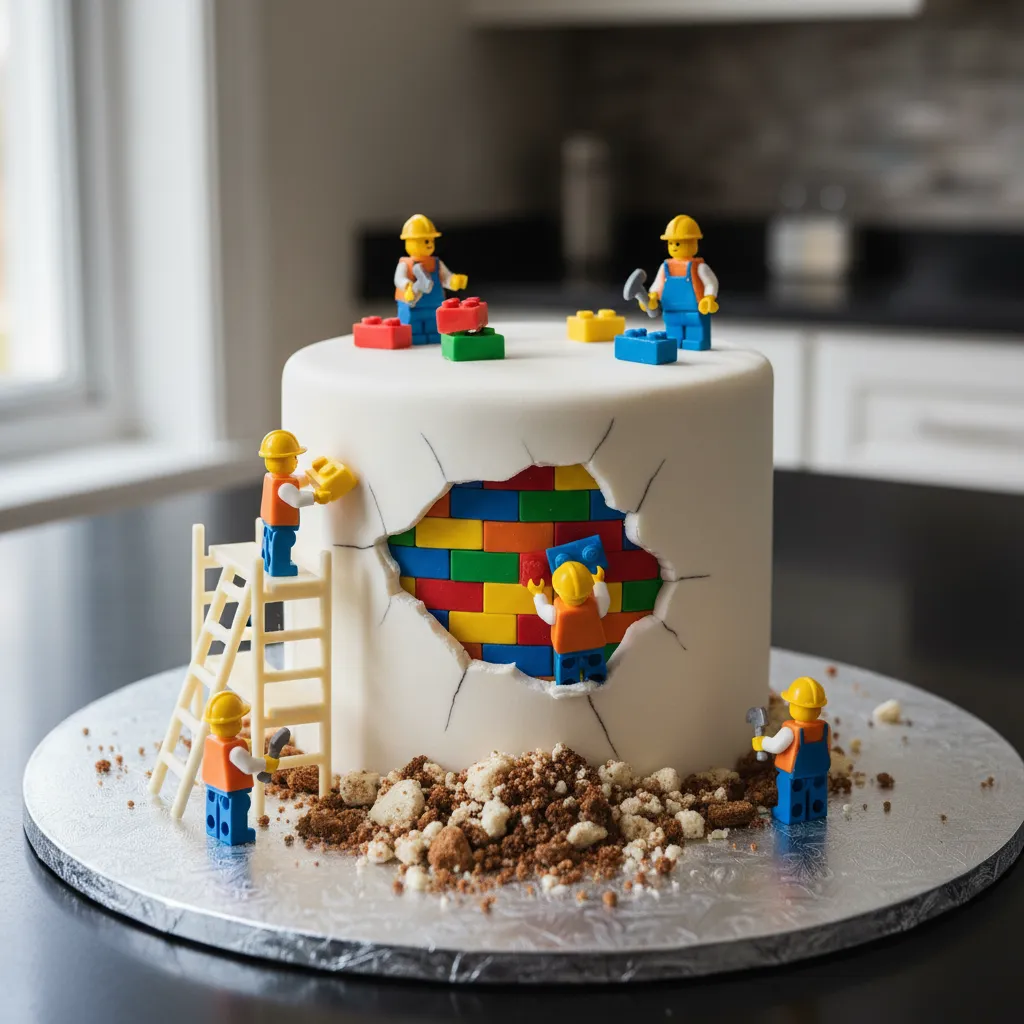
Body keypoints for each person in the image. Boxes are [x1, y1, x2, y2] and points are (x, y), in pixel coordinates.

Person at [201, 691, 281, 845]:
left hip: (213, 785)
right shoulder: (235, 750)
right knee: (237, 810)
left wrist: (245, 745)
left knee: (216, 808)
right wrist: (267, 763)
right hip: (233, 790)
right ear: (233, 723)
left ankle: (215, 828)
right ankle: (237, 833)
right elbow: (248, 766)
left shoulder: (211, 741)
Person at [752, 676, 831, 824]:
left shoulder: (791, 730)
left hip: (794, 771)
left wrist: (761, 742)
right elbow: (827, 747)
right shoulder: (824, 728)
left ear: (794, 706)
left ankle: (792, 814)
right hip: (819, 770)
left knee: (792, 793)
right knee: (815, 793)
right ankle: (816, 811)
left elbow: (776, 746)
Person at [528, 561, 610, 685]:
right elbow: (604, 602)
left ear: (558, 589)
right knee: (596, 674)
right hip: (594, 647)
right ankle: (596, 685)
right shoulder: (595, 606)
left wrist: (538, 594)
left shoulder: (556, 611)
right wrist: (599, 582)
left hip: (566, 652)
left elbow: (543, 610)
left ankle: (569, 689)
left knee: (567, 678)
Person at [645, 214, 719, 351]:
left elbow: (711, 282)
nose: (674, 247)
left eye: (677, 243)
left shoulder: (699, 267)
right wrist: (653, 296)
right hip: (671, 310)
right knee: (673, 336)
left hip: (695, 310)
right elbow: (657, 285)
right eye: (670, 243)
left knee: (695, 335)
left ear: (693, 242)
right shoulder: (665, 266)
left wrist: (709, 297)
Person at [394, 214, 468, 345]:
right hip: (412, 305)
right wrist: (407, 286)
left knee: (433, 327)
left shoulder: (436, 263)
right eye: (425, 241)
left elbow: (446, 278)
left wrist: (454, 281)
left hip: (434, 305)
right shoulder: (406, 264)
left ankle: (433, 338)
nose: (429, 245)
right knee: (413, 328)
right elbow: (399, 278)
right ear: (409, 242)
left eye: (431, 241)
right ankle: (414, 337)